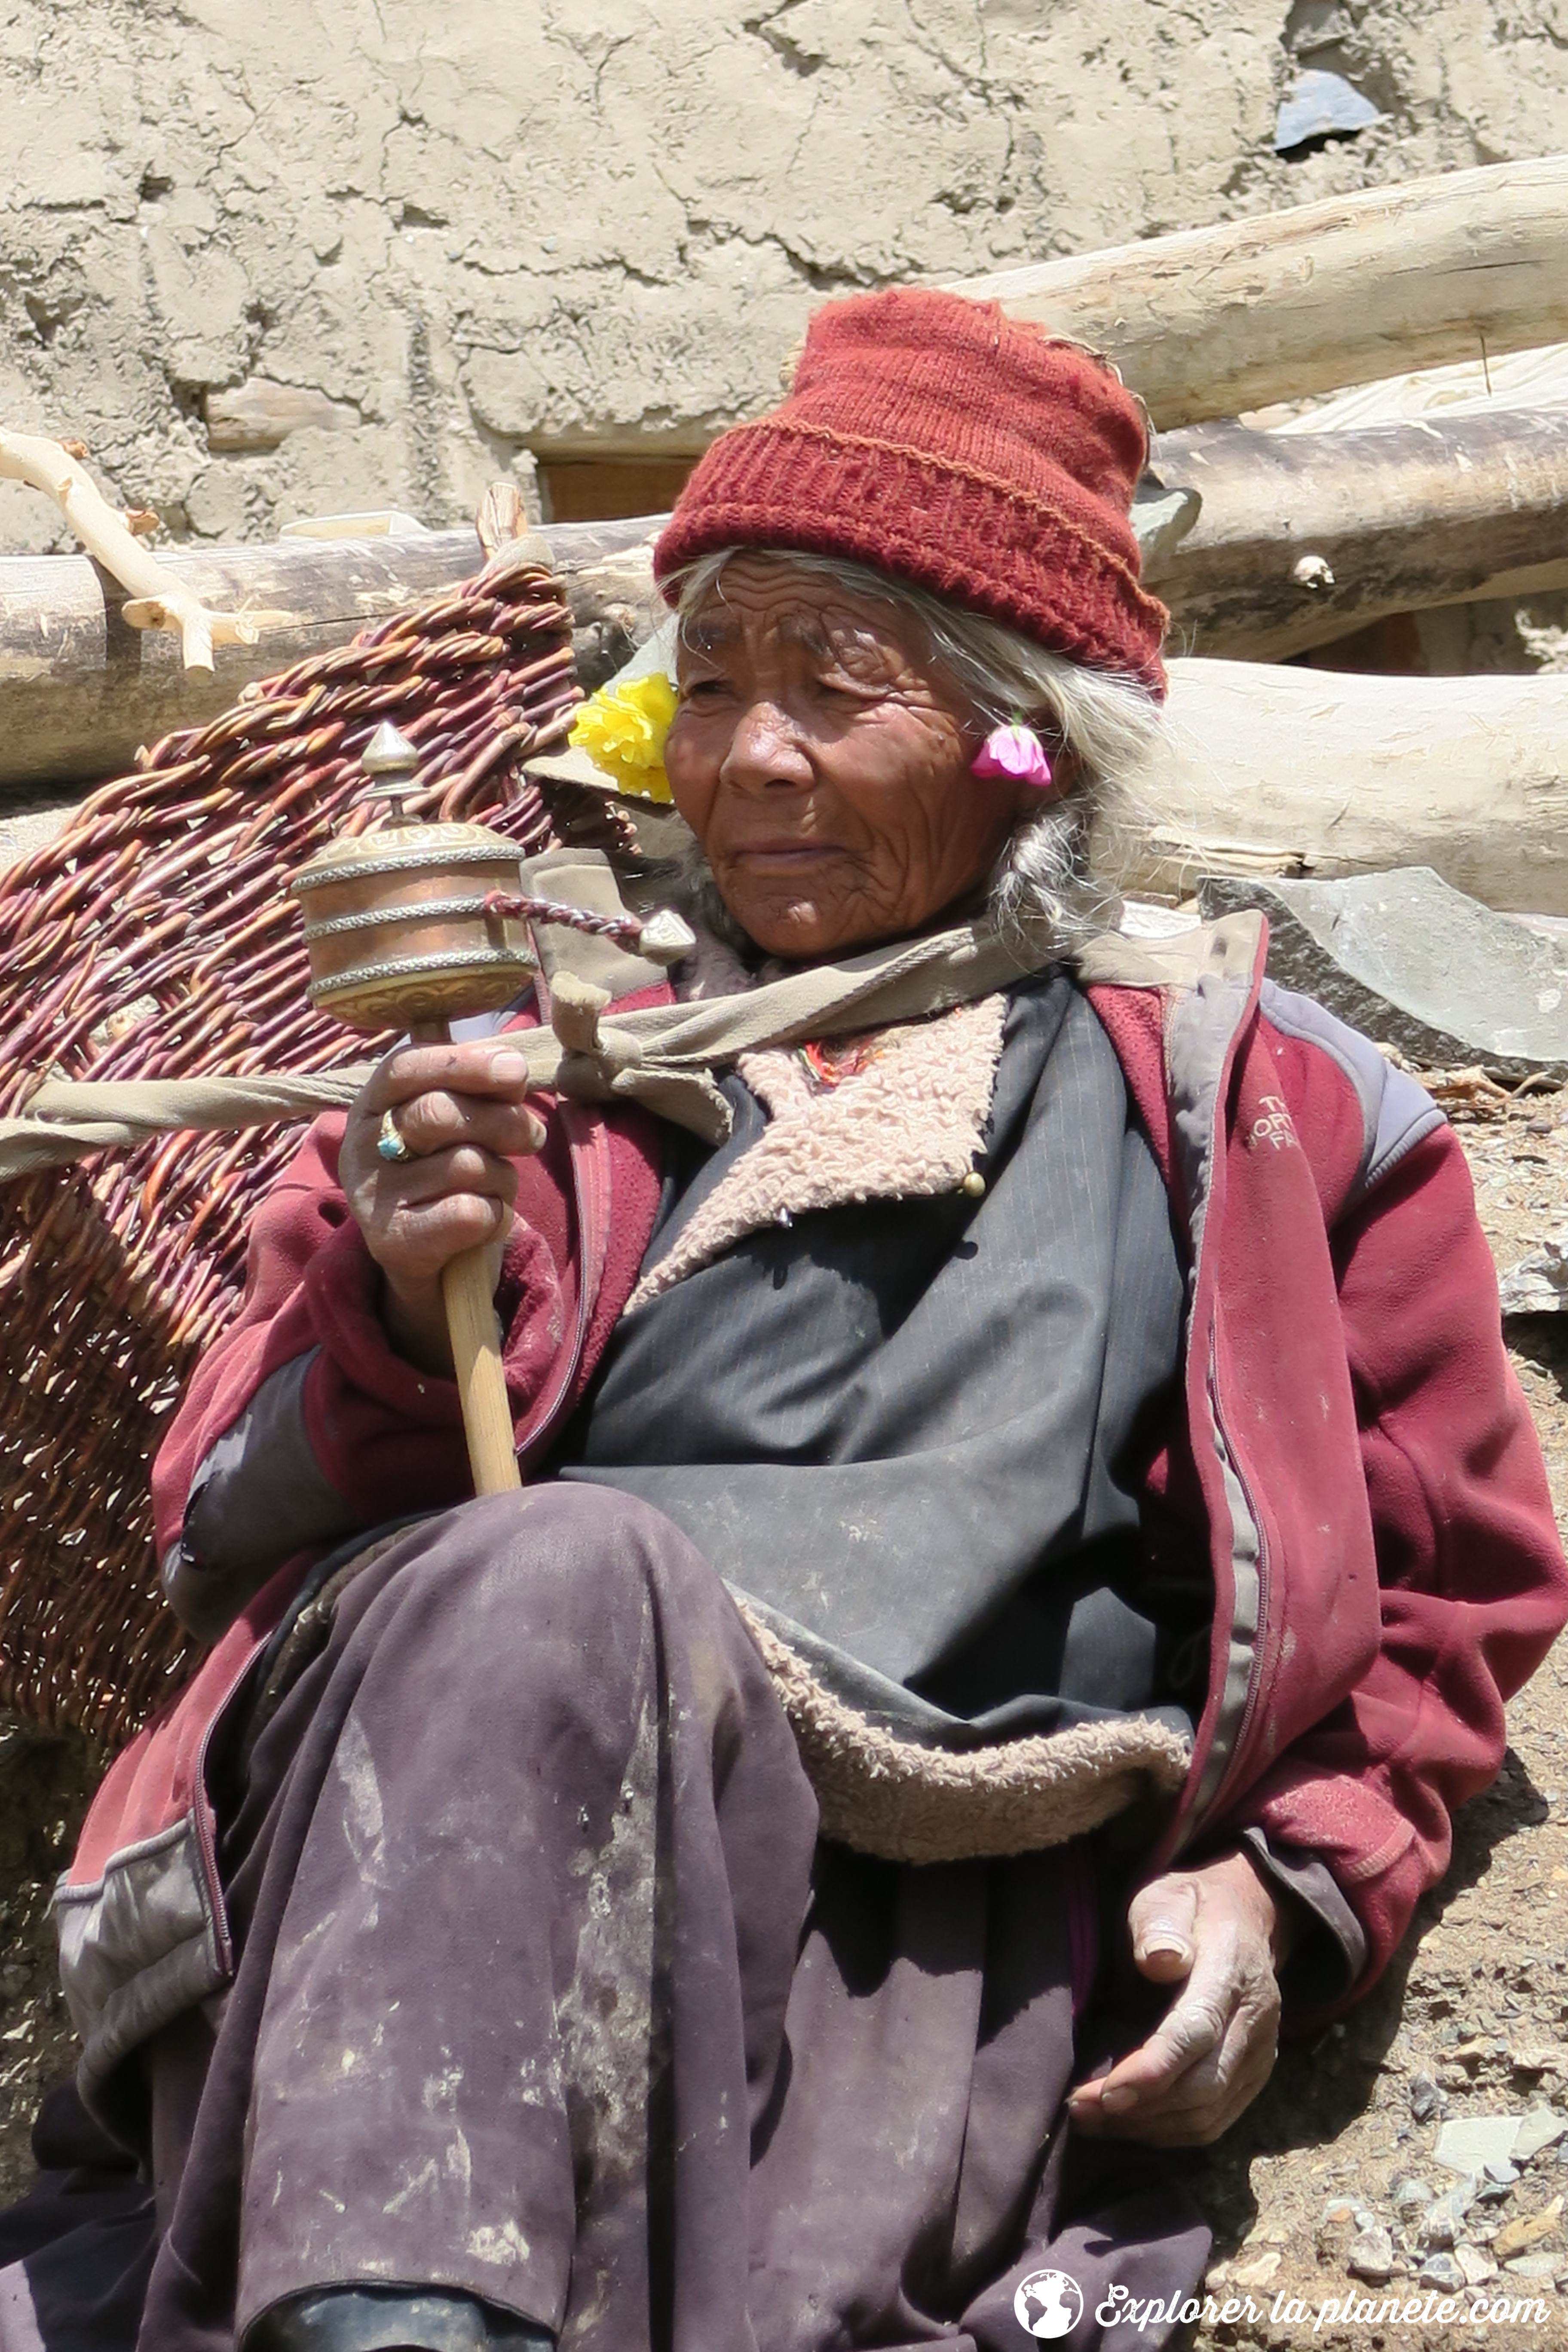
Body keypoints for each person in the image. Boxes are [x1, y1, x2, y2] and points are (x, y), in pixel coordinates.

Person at [6, 288, 1566, 2352]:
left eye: (842, 691)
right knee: (558, 1574)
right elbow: (217, 1512)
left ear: (1031, 746)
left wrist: (1293, 1886)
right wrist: (395, 1294)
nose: (753, 756)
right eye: (713, 683)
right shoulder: (522, 1074)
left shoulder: (1270, 1118)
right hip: (418, 1883)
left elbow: (1449, 1592)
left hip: (895, 1952)